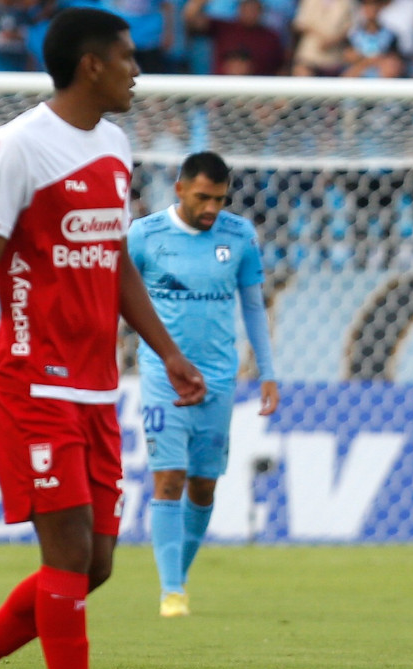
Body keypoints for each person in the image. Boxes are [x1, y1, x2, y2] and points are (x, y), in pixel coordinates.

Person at [0, 8, 206, 669]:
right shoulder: (17, 146)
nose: (138, 71)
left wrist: (167, 352)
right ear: (92, 66)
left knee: (95, 565)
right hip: (28, 381)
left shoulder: (113, 145)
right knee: (70, 553)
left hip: (95, 386)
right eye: (128, 58)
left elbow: (112, 263)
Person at [130, 151, 279, 617]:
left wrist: (268, 372)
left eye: (219, 198)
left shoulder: (239, 236)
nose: (212, 207)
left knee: (203, 486)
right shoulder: (144, 235)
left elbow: (253, 307)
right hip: (161, 376)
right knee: (169, 477)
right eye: (202, 197)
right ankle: (170, 590)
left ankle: (179, 575)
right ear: (178, 190)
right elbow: (118, 296)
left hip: (219, 377)